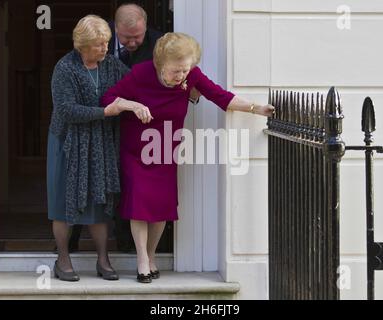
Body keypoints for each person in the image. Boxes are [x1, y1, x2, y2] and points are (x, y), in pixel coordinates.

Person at [101, 32, 275, 283]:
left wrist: (255, 108)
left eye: (185, 70)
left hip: (165, 149)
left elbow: (219, 96)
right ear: (160, 64)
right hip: (137, 150)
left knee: (161, 207)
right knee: (139, 204)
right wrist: (132, 105)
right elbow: (107, 99)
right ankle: (141, 260)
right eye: (176, 71)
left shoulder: (190, 75)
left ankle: (151, 256)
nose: (181, 76)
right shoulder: (140, 74)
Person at [69, 3, 200, 253]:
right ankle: (71, 242)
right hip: (100, 121)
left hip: (140, 130)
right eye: (126, 38)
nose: (132, 42)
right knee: (89, 180)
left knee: (134, 189)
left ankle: (127, 247)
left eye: (137, 37)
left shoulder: (159, 43)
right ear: (114, 27)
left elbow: (179, 78)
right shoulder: (96, 40)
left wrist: (188, 92)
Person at [47, 15, 130, 281]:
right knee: (62, 201)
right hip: (67, 143)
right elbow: (66, 109)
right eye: (98, 44)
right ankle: (63, 259)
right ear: (82, 45)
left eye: (106, 42)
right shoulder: (65, 68)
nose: (105, 48)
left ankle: (103, 259)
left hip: (100, 142)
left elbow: (138, 84)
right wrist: (106, 111)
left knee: (100, 200)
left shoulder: (112, 66)